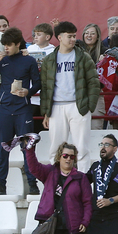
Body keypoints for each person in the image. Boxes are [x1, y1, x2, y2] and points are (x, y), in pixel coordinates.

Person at [0, 29, 42, 194]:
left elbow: (38, 83)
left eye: (9, 45)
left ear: (18, 44)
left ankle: (32, 184)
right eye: (4, 45)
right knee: (3, 147)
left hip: (23, 108)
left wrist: (28, 92)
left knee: (27, 147)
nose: (6, 48)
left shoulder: (29, 60)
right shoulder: (1, 60)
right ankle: (0, 184)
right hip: (4, 109)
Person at [41, 21, 101, 158]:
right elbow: (45, 87)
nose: (73, 39)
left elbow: (94, 82)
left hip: (78, 105)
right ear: (60, 37)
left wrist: (89, 106)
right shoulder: (49, 60)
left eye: (74, 36)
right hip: (56, 106)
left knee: (82, 148)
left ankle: (83, 178)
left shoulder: (83, 57)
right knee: (56, 148)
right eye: (69, 36)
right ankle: (56, 179)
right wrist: (46, 112)